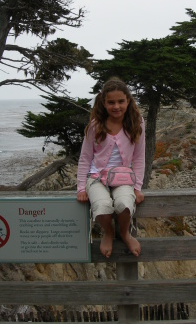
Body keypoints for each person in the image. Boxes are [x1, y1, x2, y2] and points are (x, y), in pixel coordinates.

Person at [77, 78, 145, 258]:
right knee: (102, 205)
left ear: (128, 101)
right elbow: (85, 158)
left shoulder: (136, 123)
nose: (116, 106)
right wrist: (81, 188)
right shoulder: (95, 125)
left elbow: (138, 158)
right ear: (104, 103)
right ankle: (108, 232)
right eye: (111, 102)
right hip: (96, 176)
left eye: (121, 101)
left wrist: (137, 188)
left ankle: (124, 232)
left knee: (125, 204)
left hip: (123, 177)